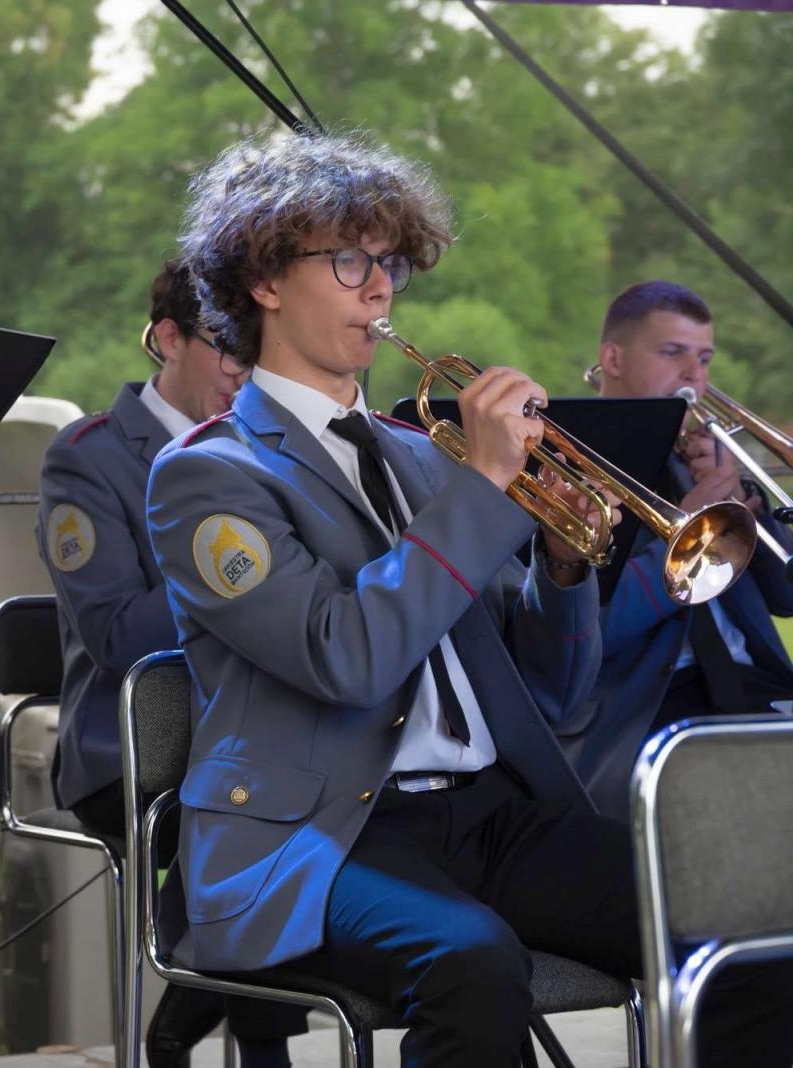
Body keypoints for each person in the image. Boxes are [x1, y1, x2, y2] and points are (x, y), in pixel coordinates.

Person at [149, 133, 791, 1065]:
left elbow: (556, 695)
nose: (381, 289)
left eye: (391, 263)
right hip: (322, 837)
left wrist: (565, 568)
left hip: (491, 814)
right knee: (473, 963)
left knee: (744, 919)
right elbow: (347, 658)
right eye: (350, 260)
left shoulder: (418, 456)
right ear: (265, 279)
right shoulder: (205, 477)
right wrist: (484, 493)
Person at [36, 260, 303, 1067]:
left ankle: (193, 996)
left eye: (257, 351)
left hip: (255, 734)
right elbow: (119, 638)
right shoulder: (88, 457)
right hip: (131, 747)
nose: (247, 373)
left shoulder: (272, 444)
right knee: (262, 808)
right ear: (164, 340)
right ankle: (253, 1046)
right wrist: (231, 570)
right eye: (228, 350)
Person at [562, 280, 793, 815]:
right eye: (673, 353)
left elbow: (784, 598)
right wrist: (688, 524)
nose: (695, 375)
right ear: (612, 358)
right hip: (646, 708)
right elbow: (587, 638)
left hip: (757, 685)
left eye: (705, 358)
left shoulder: (698, 458)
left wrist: (738, 504)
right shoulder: (564, 469)